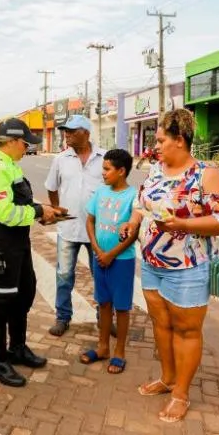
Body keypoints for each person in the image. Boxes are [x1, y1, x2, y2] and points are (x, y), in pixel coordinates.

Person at [119, 108, 219, 423]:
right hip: (151, 264)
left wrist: (184, 225)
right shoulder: (156, 171)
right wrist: (132, 224)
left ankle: (181, 393)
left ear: (180, 140)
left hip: (188, 266)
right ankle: (167, 378)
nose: (155, 146)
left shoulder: (206, 174)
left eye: (160, 140)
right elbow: (140, 204)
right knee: (161, 325)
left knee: (186, 330)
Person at [0, 118, 64, 387]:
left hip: (18, 243)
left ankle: (17, 348)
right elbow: (6, 214)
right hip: (0, 244)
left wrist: (45, 210)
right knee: (0, 304)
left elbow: (21, 202)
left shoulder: (10, 165)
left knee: (24, 293)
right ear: (12, 141)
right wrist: (38, 212)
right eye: (25, 143)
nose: (27, 148)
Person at [44, 114, 108, 337]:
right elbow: (52, 187)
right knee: (63, 275)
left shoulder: (104, 158)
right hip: (68, 229)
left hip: (97, 231)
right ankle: (62, 317)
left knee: (100, 276)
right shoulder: (61, 159)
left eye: (72, 130)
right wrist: (57, 209)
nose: (67, 134)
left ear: (87, 133)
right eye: (65, 130)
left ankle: (104, 317)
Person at [80, 149, 139, 374]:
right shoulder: (101, 192)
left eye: (107, 169)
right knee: (103, 304)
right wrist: (96, 249)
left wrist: (111, 254)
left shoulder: (132, 196)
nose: (103, 173)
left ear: (121, 171)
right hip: (99, 258)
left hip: (121, 260)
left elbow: (133, 233)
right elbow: (90, 220)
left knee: (122, 308)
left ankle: (120, 352)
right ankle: (103, 347)